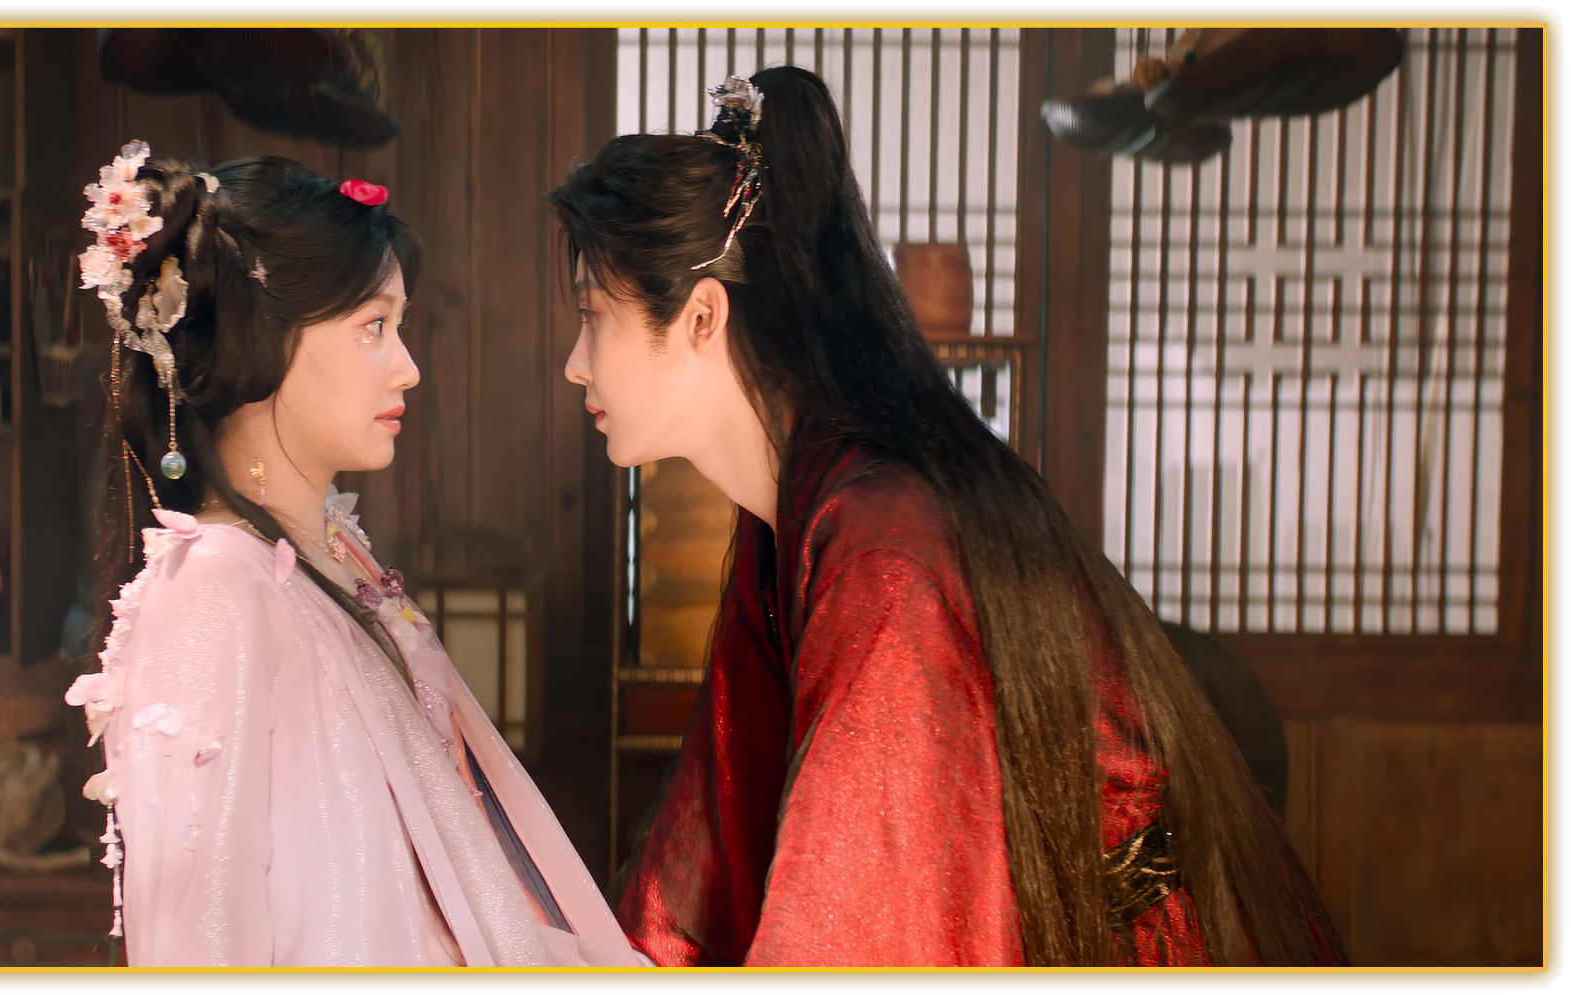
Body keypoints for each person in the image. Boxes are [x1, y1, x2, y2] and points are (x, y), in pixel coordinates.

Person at [549, 68, 1346, 968]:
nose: (576, 362)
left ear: (701, 316)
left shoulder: (886, 546)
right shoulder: (798, 512)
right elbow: (710, 831)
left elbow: (863, 922)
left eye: (592, 316)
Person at [65, 142, 635, 967]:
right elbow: (197, 944)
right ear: (262, 336)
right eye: (373, 327)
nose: (407, 368)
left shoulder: (330, 549)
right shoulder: (213, 590)